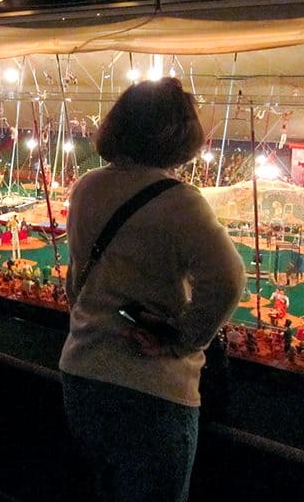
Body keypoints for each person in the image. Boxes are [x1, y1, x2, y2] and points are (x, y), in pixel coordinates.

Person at [59, 78, 246, 502]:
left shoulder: (86, 186)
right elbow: (228, 279)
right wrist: (182, 339)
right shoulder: (181, 201)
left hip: (82, 375)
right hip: (152, 392)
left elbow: (76, 284)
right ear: (181, 135)